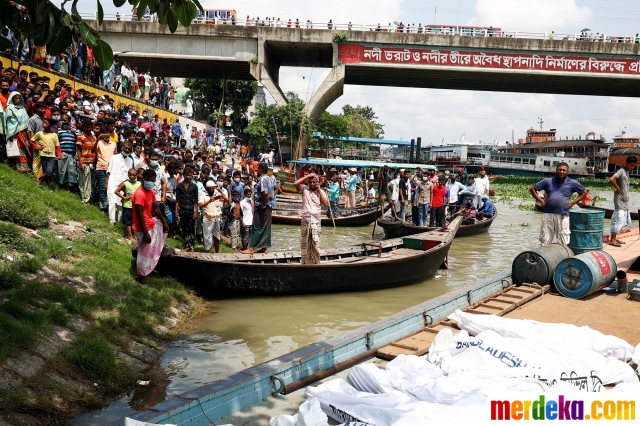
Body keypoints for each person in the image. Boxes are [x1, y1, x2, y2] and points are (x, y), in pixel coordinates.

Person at [529, 162, 586, 246]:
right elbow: (532, 189)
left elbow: (584, 193)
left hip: (563, 214)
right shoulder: (547, 181)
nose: (562, 172)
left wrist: (573, 203)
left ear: (567, 172)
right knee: (545, 240)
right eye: (560, 170)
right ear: (556, 170)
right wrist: (541, 201)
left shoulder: (573, 183)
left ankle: (562, 257)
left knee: (563, 240)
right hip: (548, 213)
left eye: (564, 170)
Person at [133, 168, 168, 284]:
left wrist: (164, 221)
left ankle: (146, 269)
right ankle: (141, 277)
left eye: (153, 181)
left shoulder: (151, 192)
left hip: (150, 223)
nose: (151, 182)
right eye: (149, 180)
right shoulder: (139, 194)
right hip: (141, 227)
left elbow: (155, 208)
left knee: (149, 250)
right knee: (144, 252)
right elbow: (139, 215)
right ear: (144, 178)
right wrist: (146, 233)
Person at [294, 173, 328, 265]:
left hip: (316, 222)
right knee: (305, 243)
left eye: (314, 182)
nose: (312, 184)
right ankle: (305, 263)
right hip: (306, 220)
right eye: (310, 182)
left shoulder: (321, 191)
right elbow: (295, 184)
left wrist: (319, 190)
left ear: (317, 183)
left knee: (315, 244)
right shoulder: (304, 189)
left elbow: (325, 204)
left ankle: (316, 262)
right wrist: (307, 177)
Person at [608, 156, 638, 247]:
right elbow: (611, 179)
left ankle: (615, 238)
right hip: (619, 200)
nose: (632, 167)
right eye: (631, 165)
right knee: (618, 218)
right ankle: (612, 240)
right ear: (626, 163)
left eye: (634, 166)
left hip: (624, 201)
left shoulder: (627, 172)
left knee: (621, 220)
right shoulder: (621, 171)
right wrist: (617, 188)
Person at [106, 140, 134, 225]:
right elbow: (109, 171)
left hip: (123, 184)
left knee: (120, 203)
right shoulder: (114, 157)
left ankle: (119, 222)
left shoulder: (130, 160)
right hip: (112, 181)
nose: (127, 150)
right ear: (122, 148)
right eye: (125, 148)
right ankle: (112, 221)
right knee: (112, 201)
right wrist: (106, 182)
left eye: (129, 149)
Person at [30, 117, 61, 190]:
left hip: (52, 156)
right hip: (43, 155)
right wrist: (37, 147)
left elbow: (57, 146)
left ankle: (39, 182)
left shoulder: (54, 135)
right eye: (43, 122)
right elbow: (32, 141)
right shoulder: (40, 133)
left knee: (49, 171)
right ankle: (50, 188)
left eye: (46, 123)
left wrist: (59, 155)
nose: (44, 124)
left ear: (50, 125)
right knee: (47, 172)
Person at [250, 162, 275, 254]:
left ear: (260, 170)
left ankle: (252, 248)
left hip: (263, 207)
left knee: (257, 226)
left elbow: (265, 193)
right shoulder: (269, 178)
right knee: (265, 227)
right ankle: (264, 248)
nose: (257, 171)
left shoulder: (263, 179)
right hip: (268, 206)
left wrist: (264, 204)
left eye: (257, 169)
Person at [4, 91, 31, 173]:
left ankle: (24, 167)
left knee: (23, 149)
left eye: (19, 98)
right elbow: (9, 122)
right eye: (16, 98)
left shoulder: (22, 109)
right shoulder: (10, 108)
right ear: (12, 99)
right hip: (14, 133)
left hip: (23, 133)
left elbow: (26, 121)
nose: (18, 100)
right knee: (15, 149)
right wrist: (11, 134)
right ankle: (15, 167)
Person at [199, 179, 228, 253]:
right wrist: (208, 201)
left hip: (217, 218)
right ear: (207, 188)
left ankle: (217, 251)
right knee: (207, 236)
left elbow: (226, 199)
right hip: (208, 218)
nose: (212, 189)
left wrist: (220, 190)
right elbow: (200, 205)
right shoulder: (203, 194)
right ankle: (208, 251)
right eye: (210, 188)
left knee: (217, 236)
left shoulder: (217, 194)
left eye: (213, 188)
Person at [176, 166, 199, 252]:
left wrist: (196, 211)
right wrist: (176, 210)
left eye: (190, 175)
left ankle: (192, 246)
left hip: (191, 210)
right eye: (187, 175)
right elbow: (177, 199)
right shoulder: (179, 186)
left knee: (191, 228)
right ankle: (187, 245)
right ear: (184, 175)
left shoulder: (194, 186)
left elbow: (196, 200)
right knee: (184, 227)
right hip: (182, 209)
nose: (188, 177)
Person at [114, 168, 141, 240]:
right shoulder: (125, 183)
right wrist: (124, 197)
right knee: (128, 221)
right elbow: (116, 191)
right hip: (128, 205)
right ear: (128, 175)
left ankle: (135, 235)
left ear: (137, 175)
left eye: (134, 175)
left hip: (136, 206)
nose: (132, 176)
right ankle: (130, 236)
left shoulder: (139, 183)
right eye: (130, 175)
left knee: (135, 221)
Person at [94, 132, 117, 211]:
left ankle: (109, 206)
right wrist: (97, 139)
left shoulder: (113, 144)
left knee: (110, 188)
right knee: (102, 187)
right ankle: (103, 207)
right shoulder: (99, 142)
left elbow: (115, 155)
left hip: (111, 169)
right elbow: (92, 151)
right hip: (101, 167)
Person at [76, 119, 96, 203]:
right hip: (84, 162)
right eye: (87, 127)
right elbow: (78, 150)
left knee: (92, 182)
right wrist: (80, 162)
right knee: (84, 181)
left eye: (90, 127)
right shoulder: (80, 137)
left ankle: (90, 198)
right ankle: (85, 199)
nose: (88, 129)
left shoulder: (94, 137)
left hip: (93, 162)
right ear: (83, 127)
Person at [240, 187, 253, 252]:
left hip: (251, 222)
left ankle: (246, 248)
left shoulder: (252, 202)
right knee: (245, 237)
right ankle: (244, 248)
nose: (249, 195)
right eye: (248, 194)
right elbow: (240, 213)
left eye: (250, 194)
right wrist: (242, 222)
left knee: (249, 237)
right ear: (245, 194)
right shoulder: (242, 202)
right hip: (245, 222)